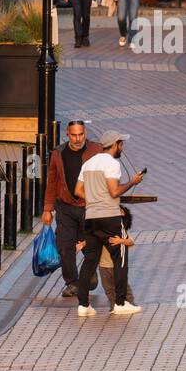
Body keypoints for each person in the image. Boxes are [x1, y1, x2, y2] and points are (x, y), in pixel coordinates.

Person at [74, 131, 145, 317]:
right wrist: (133, 181)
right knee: (120, 259)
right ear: (115, 144)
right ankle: (120, 303)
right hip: (110, 216)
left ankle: (83, 305)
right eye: (121, 144)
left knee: (89, 261)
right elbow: (114, 192)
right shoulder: (112, 163)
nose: (122, 147)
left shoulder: (88, 164)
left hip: (90, 217)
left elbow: (78, 191)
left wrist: (94, 200)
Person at [42, 121, 104, 296]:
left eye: (81, 134)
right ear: (67, 135)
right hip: (65, 207)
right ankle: (73, 283)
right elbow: (52, 181)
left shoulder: (96, 150)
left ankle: (90, 273)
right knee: (64, 245)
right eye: (74, 135)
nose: (78, 139)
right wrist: (48, 208)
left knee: (90, 244)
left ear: (85, 133)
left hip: (88, 206)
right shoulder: (58, 153)